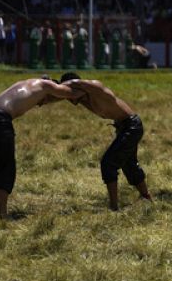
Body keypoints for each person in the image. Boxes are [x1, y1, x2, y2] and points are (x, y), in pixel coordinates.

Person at [0, 76, 82, 220]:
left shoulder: (25, 84)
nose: (42, 104)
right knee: (5, 167)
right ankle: (2, 215)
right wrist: (87, 90)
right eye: (46, 100)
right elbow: (71, 93)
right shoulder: (46, 85)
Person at [60, 73, 153, 211]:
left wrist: (61, 85)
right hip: (123, 127)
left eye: (70, 93)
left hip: (132, 126)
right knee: (129, 164)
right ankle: (146, 198)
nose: (70, 98)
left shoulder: (95, 88)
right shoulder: (83, 98)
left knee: (108, 163)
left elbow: (79, 82)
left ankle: (114, 208)